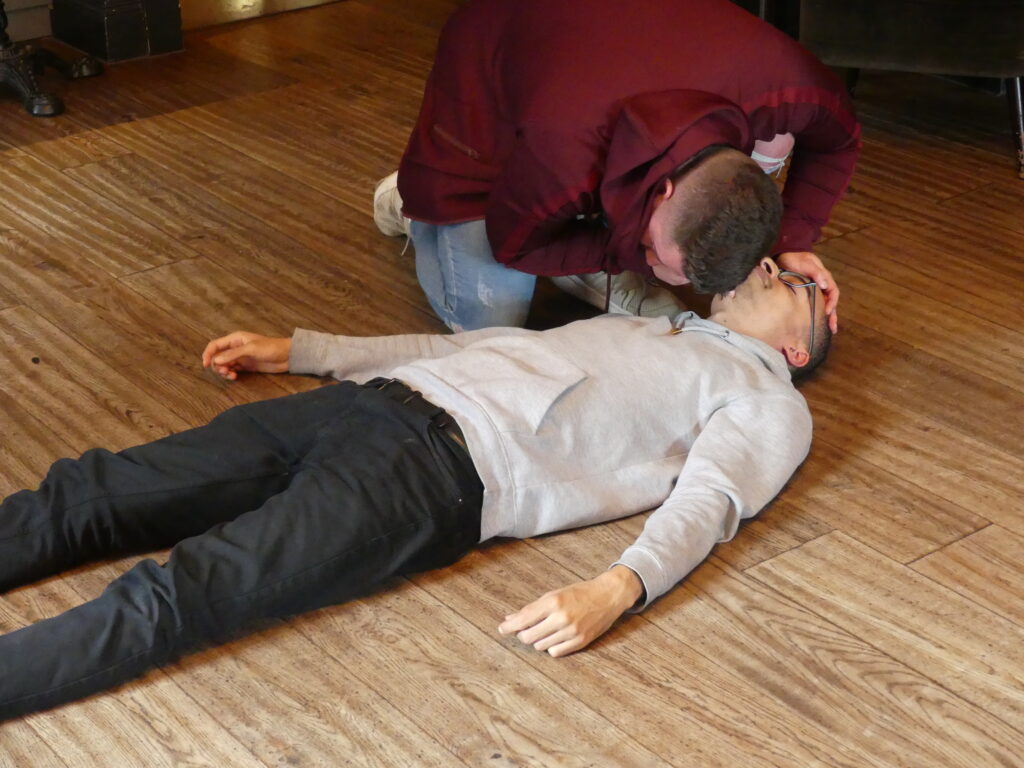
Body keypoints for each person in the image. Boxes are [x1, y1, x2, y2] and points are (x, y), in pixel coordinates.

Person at [0, 258, 829, 722]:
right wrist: (306, 349)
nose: (773, 265)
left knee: (181, 592)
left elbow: (712, 499)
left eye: (794, 284)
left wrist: (621, 587)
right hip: (365, 405)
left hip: (439, 477)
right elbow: (466, 346)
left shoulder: (768, 400)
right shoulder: (651, 323)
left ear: (800, 349)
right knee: (91, 492)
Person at [373, 0, 859, 330]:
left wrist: (793, 240)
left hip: (606, 53)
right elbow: (512, 245)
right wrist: (626, 254)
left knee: (593, 234)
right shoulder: (564, 155)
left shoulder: (789, 86)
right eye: (655, 252)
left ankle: (579, 246)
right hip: (492, 49)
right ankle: (412, 201)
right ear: (664, 191)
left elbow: (840, 142)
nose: (653, 265)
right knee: (492, 324)